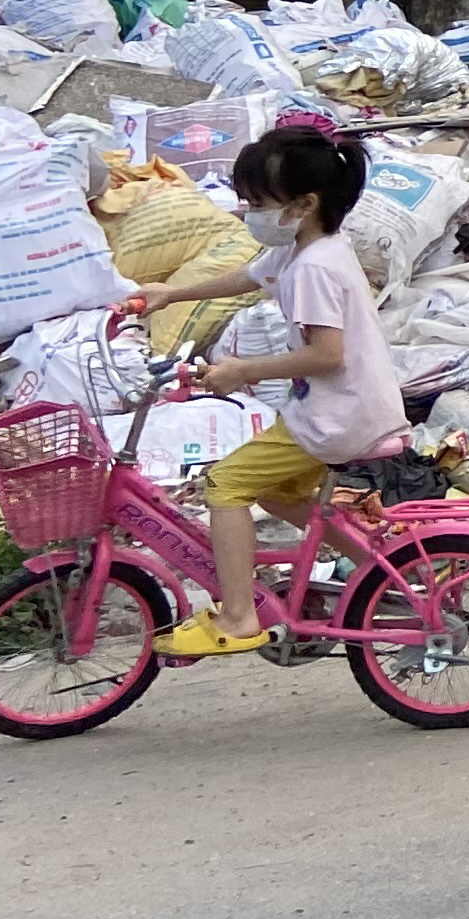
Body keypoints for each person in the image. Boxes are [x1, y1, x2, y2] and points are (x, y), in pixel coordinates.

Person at [125, 120, 410, 659]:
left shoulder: (314, 270)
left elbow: (327, 354)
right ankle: (380, 568)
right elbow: (247, 278)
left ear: (301, 204)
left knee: (225, 485)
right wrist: (172, 292)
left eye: (256, 202)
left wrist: (242, 371)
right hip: (341, 410)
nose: (248, 213)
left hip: (336, 418)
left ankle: (238, 616)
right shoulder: (306, 248)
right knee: (280, 493)